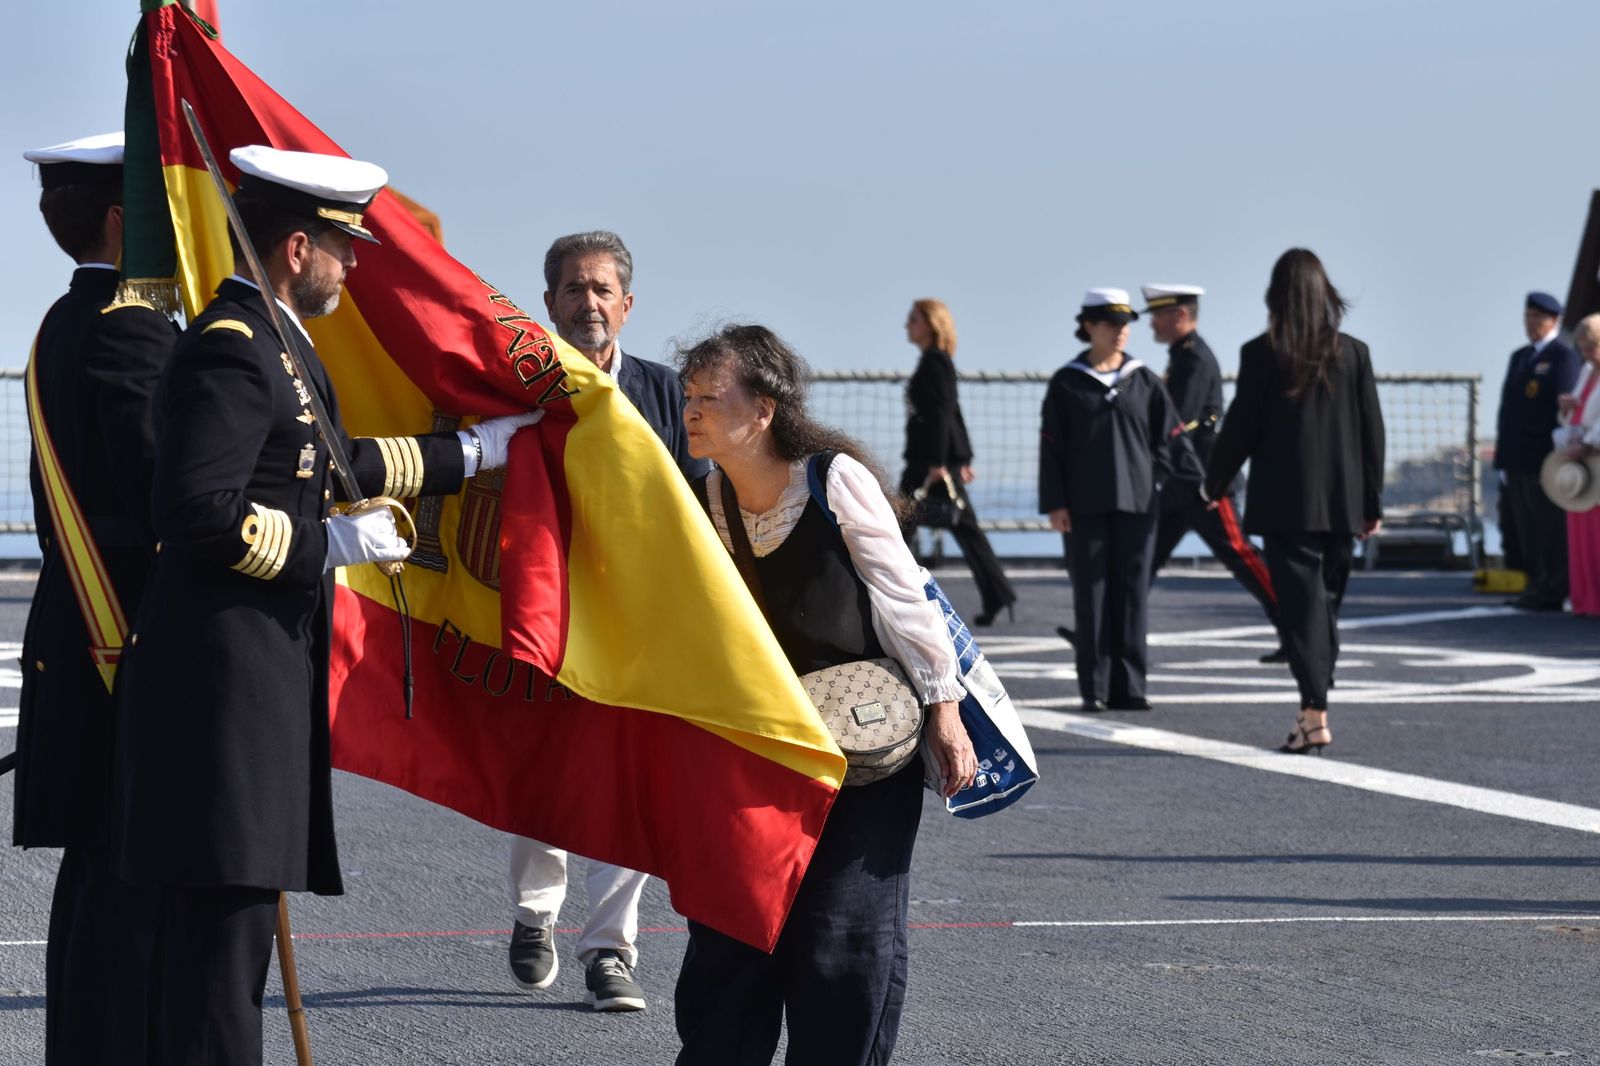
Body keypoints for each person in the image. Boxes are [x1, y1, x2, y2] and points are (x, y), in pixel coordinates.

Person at [110, 145, 538, 1066]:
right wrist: (326, 545)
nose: (354, 267)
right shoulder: (234, 350)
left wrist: (477, 455)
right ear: (298, 248)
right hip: (220, 696)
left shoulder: (274, 344)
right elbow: (193, 511)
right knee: (214, 969)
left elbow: (342, 461)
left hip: (252, 684)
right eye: (346, 248)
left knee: (227, 958)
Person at [672, 323, 976, 1066]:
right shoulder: (708, 493)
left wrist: (945, 711)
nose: (692, 413)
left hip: (866, 753)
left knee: (845, 939)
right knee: (733, 935)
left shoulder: (832, 479)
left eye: (711, 397)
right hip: (765, 747)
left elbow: (908, 600)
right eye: (688, 398)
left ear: (765, 409)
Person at [503, 230, 707, 1012]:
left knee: (626, 783)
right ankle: (534, 912)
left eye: (602, 290)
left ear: (626, 305)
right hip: (540, 613)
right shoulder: (518, 387)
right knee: (540, 774)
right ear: (548, 301)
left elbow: (701, 505)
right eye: (573, 289)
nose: (588, 302)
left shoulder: (665, 393)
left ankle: (609, 950)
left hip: (638, 623)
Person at [14, 132, 175, 1066]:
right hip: (128, 640)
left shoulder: (61, 321)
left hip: (79, 629)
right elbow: (165, 496)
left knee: (98, 893)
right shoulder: (129, 326)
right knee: (131, 902)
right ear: (125, 220)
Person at [1205, 249, 1385, 754]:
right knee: (1325, 609)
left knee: (1303, 612)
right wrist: (1372, 502)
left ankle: (1314, 711)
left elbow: (1241, 427)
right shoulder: (1355, 352)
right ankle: (1313, 709)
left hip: (1286, 505)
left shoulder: (1262, 354)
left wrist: (1212, 484)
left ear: (1276, 297)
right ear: (1326, 293)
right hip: (1345, 506)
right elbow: (1374, 434)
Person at [1039, 289, 1200, 713]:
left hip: (1139, 506)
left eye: (1125, 324)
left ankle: (1129, 686)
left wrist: (1167, 481)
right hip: (1083, 507)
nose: (1121, 331)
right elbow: (1051, 447)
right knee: (1091, 597)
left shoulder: (1143, 380)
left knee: (1132, 595)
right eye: (1111, 323)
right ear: (1089, 326)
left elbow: (1170, 437)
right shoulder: (1067, 382)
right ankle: (1093, 687)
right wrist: (1056, 503)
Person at [1140, 284, 1283, 659]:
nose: (1151, 322)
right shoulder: (1180, 356)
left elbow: (1177, 422)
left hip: (1204, 482)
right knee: (1142, 558)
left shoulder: (1194, 359)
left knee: (1244, 557)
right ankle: (1107, 638)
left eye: (1158, 314)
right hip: (1179, 484)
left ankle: (1297, 627)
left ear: (1180, 316)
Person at [900, 298, 1016, 625]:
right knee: (966, 531)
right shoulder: (936, 362)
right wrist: (962, 457)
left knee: (896, 528)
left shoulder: (935, 363)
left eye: (913, 320)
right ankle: (998, 593)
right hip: (935, 460)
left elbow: (942, 414)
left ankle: (890, 598)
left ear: (931, 325)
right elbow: (952, 412)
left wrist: (940, 463)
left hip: (930, 463)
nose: (907, 326)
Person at [1494, 291, 1580, 610]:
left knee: (1548, 527)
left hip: (1543, 458)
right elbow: (1508, 411)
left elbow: (1562, 411)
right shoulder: (1520, 358)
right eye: (1527, 316)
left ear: (1553, 320)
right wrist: (1502, 458)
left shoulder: (1562, 357)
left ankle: (1553, 586)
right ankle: (1535, 584)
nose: (1531, 323)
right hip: (1517, 458)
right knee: (1525, 527)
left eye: (1537, 318)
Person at [1552, 313, 1600, 616]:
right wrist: (1567, 410)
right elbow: (1575, 416)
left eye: (1591, 347)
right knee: (1580, 532)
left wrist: (1589, 441)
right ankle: (1584, 598)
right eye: (1583, 347)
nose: (1586, 353)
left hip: (1594, 456)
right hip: (1579, 461)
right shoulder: (1586, 371)